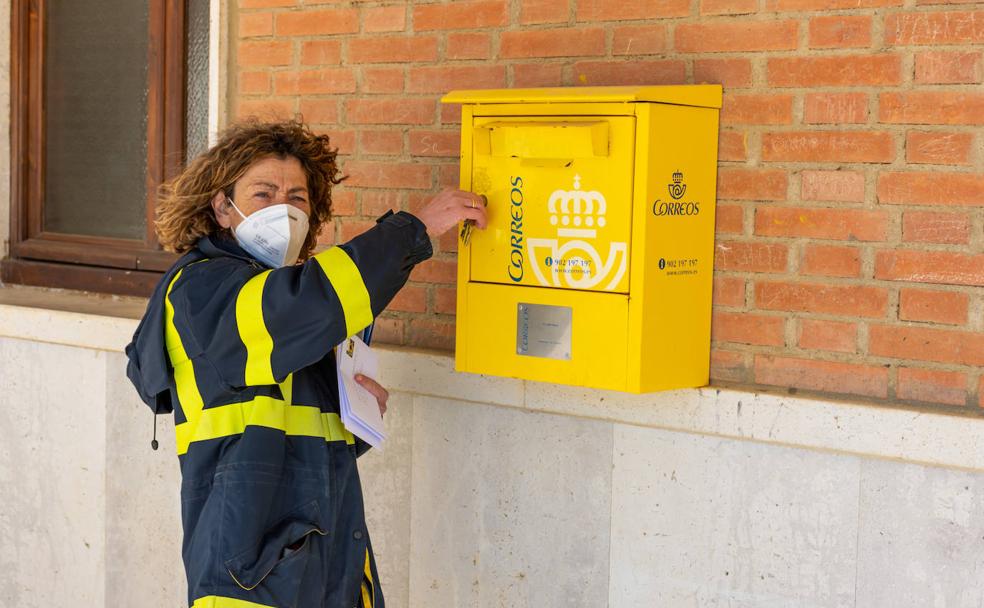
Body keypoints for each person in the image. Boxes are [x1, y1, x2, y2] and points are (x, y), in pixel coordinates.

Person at [125, 119, 486, 608]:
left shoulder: (277, 297)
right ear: (221, 208)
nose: (283, 209)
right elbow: (304, 304)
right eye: (263, 193)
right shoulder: (202, 290)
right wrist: (413, 231)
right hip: (255, 579)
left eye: (297, 197)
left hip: (323, 563)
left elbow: (285, 434)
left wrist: (353, 416)